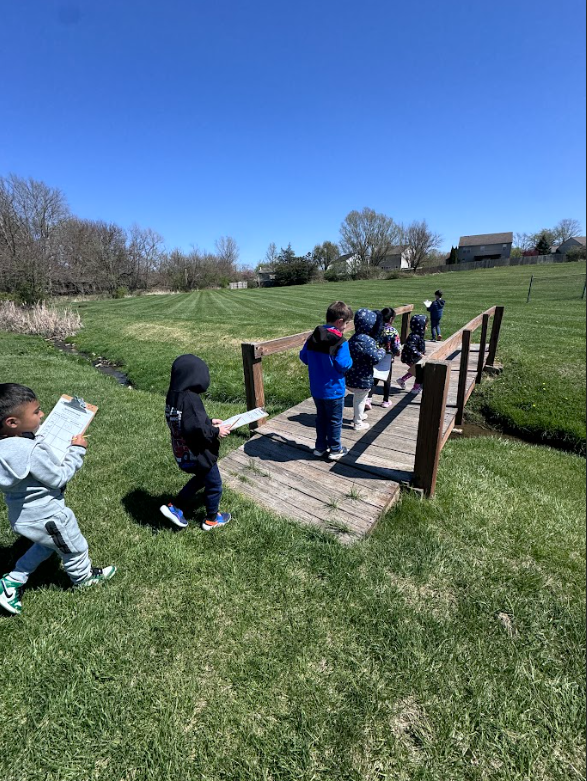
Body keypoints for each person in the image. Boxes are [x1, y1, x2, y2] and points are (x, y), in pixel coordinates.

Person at [0, 383, 116, 616]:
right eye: (36, 412)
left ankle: (13, 579)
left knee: (45, 546)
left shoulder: (5, 446)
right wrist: (76, 450)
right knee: (74, 547)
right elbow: (58, 477)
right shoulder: (30, 451)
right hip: (49, 515)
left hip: (24, 516)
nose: (42, 414)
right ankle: (83, 579)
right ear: (12, 422)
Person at [160, 355, 233, 531]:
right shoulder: (191, 399)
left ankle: (175, 507)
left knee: (201, 479)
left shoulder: (174, 395)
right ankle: (212, 519)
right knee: (214, 484)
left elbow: (189, 423)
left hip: (183, 452)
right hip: (199, 454)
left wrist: (209, 421)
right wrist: (216, 431)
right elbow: (197, 430)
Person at [299, 301, 353, 460]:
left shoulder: (312, 338)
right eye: (347, 324)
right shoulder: (340, 342)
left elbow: (304, 357)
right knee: (335, 420)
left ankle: (320, 447)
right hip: (334, 389)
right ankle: (336, 449)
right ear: (340, 322)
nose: (346, 327)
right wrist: (351, 361)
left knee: (321, 418)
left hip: (317, 389)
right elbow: (343, 365)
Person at [346, 309, 386, 431]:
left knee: (358, 398)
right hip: (363, 378)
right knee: (360, 398)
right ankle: (358, 422)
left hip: (350, 375)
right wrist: (382, 352)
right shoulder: (369, 341)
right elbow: (374, 359)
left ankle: (359, 415)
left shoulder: (352, 338)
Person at [366, 307, 401, 410]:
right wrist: (397, 353)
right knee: (387, 379)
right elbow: (396, 346)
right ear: (391, 319)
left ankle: (368, 398)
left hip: (376, 356)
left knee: (375, 378)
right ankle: (385, 400)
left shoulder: (377, 329)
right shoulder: (393, 331)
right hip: (388, 357)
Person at [397, 315, 428, 395]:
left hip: (412, 357)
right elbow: (411, 346)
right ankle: (415, 388)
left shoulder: (418, 335)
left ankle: (402, 380)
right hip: (410, 357)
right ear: (420, 327)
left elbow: (420, 345)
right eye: (425, 326)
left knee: (415, 370)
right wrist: (419, 354)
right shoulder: (414, 336)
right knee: (419, 372)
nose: (426, 328)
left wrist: (422, 351)